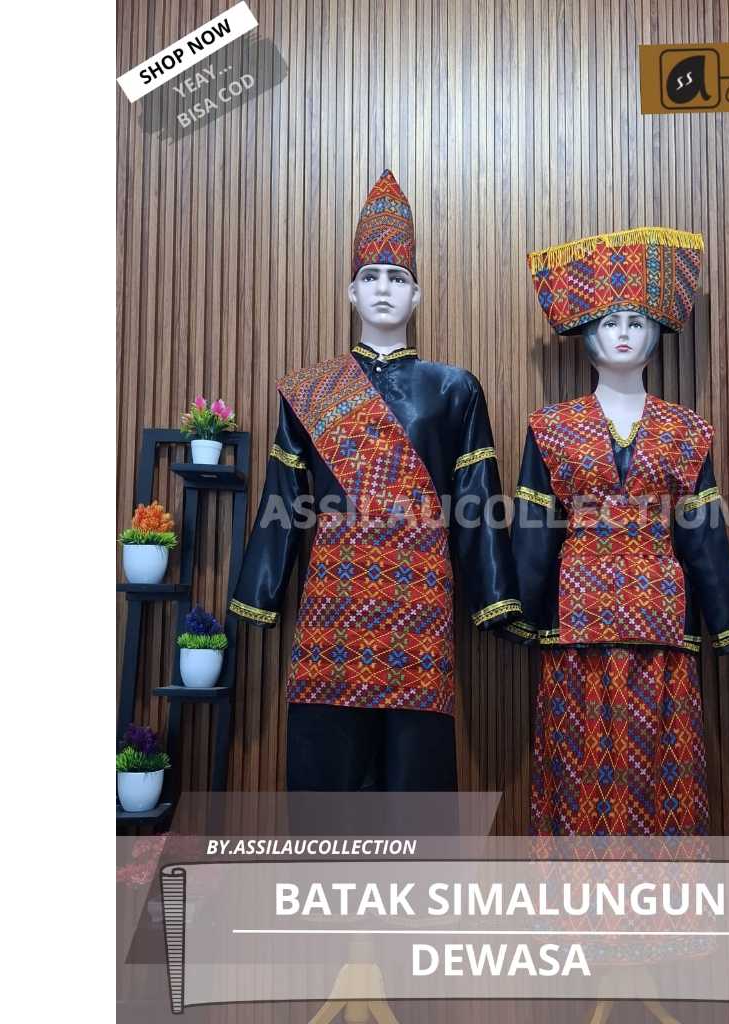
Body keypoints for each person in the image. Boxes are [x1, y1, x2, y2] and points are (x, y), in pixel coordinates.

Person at [229, 170, 520, 793]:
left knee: (416, 766)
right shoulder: (310, 389)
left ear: (417, 296)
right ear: (351, 292)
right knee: (328, 760)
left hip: (420, 592)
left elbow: (476, 500)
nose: (383, 288)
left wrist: (494, 596)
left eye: (397, 277)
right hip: (336, 591)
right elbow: (285, 498)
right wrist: (259, 593)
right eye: (370, 277)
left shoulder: (454, 388)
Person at [510, 226, 729, 835]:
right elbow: (535, 525)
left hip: (661, 620)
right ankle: (574, 892)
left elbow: (701, 531)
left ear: (656, 333)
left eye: (636, 321)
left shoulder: (687, 429)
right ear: (587, 332)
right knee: (578, 767)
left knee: (660, 768)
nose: (623, 333)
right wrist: (521, 613)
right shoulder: (551, 426)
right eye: (610, 321)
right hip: (576, 622)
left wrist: (727, 621)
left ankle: (663, 894)